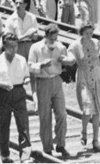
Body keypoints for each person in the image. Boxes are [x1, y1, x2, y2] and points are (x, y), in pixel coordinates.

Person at [29, 21, 73, 159]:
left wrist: (67, 60)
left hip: (56, 81)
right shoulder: (36, 48)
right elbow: (29, 66)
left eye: (56, 38)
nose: (54, 41)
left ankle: (60, 144)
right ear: (46, 36)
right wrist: (41, 65)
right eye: (52, 39)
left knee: (62, 113)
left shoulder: (60, 47)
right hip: (43, 82)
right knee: (45, 116)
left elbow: (69, 60)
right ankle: (47, 148)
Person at [0, 32, 31, 163]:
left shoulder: (21, 60)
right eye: (11, 46)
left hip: (19, 92)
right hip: (4, 93)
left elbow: (26, 75)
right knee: (4, 125)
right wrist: (1, 84)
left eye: (16, 46)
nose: (14, 49)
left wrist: (27, 79)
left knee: (23, 124)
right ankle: (5, 154)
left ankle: (25, 156)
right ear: (4, 46)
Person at [70, 19, 100, 152]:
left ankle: (96, 139)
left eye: (91, 33)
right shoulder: (75, 45)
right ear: (81, 32)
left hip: (96, 75)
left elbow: (98, 61)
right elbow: (70, 59)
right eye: (86, 33)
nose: (89, 35)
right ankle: (84, 131)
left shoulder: (96, 43)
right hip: (84, 77)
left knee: (97, 110)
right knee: (88, 108)